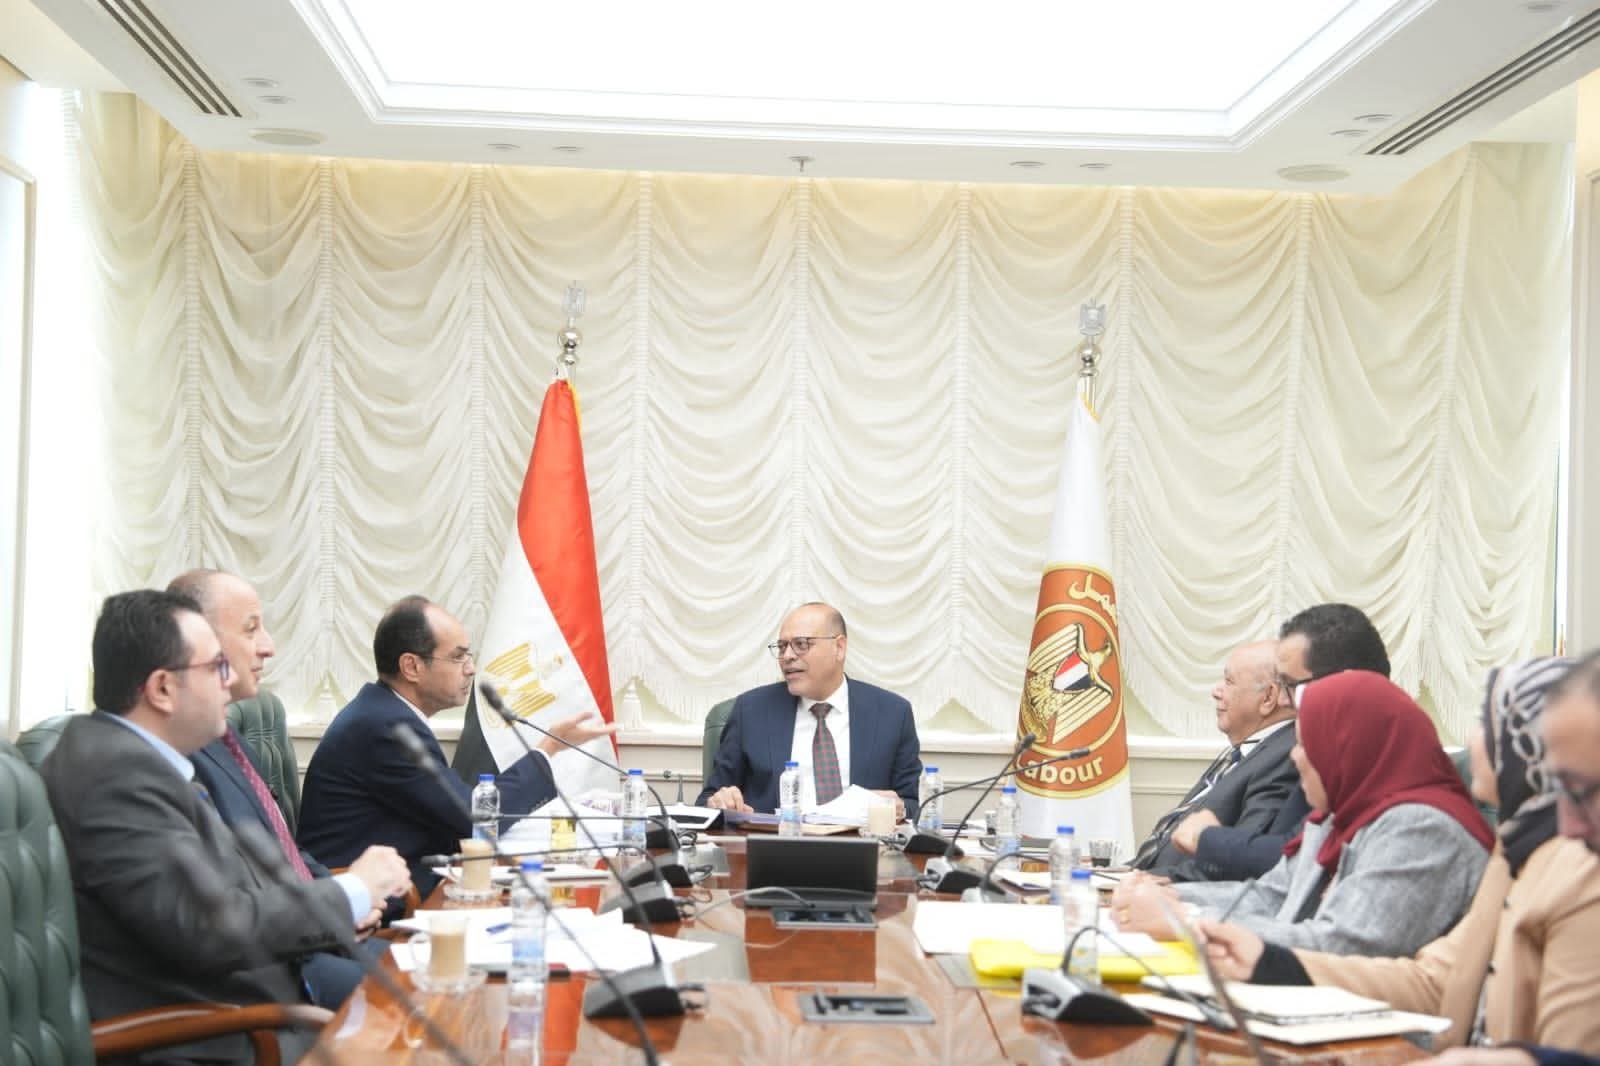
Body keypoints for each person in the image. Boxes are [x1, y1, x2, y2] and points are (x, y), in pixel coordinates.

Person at [40, 590, 411, 1064]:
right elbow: (210, 927)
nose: (230, 679)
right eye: (217, 667)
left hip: (249, 1006)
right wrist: (352, 890)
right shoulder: (114, 778)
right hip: (211, 1039)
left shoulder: (145, 762)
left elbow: (230, 894)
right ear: (162, 689)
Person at [1199, 656, 1600, 1052]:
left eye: (1488, 723)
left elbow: (1347, 943)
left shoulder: (1431, 829)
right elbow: (1434, 980)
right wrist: (1264, 959)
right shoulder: (1517, 850)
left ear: (1528, 747)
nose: (1473, 738)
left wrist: (1199, 925)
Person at [1114, 670, 1493, 956]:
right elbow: (1270, 896)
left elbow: (1340, 944)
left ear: (1349, 751)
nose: (1295, 757)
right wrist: (1169, 898)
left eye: (1308, 743)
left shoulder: (1421, 829)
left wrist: (1184, 922)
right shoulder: (1337, 817)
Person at [169, 568, 392, 1009]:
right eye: (251, 629)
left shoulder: (226, 739)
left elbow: (283, 851)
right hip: (275, 972)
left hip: (310, 936)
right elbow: (227, 906)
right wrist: (340, 903)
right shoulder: (178, 755)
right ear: (196, 641)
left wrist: (349, 901)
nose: (268, 646)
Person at [298, 594, 617, 893]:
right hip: (369, 900)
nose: (471, 669)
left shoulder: (386, 713)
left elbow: (458, 813)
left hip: (405, 880)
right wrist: (548, 750)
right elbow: (475, 817)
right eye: (457, 657)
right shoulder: (385, 727)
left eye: (469, 656)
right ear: (412, 667)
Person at [1170, 602, 1395, 880]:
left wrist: (1207, 839)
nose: (1284, 702)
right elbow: (1286, 864)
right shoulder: (1332, 749)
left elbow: (1289, 863)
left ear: (1340, 683)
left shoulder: (1383, 765)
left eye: (1291, 686)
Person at [697, 602, 922, 820]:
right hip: (776, 842)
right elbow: (708, 800)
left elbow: (913, 805)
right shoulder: (751, 711)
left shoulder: (893, 714)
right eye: (782, 646)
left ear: (839, 647)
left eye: (801, 644)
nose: (787, 656)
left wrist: (900, 808)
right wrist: (719, 801)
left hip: (861, 843)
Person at [1130, 641, 1300, 881]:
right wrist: (1113, 875)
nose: (1216, 691)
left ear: (1268, 697)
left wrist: (1152, 883)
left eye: (1229, 682)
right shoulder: (1247, 751)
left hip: (1180, 894)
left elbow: (1240, 859)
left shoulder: (1284, 756)